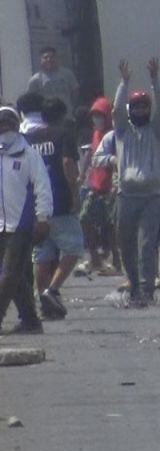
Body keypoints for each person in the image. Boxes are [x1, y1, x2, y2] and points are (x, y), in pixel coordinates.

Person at [95, 57, 160, 308]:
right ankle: (134, 283)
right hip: (126, 195)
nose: (140, 111)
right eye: (135, 108)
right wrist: (123, 83)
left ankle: (148, 289)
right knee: (125, 242)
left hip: (151, 196)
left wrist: (155, 81)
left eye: (143, 107)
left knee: (147, 244)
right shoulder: (122, 132)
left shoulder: (155, 131)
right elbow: (116, 111)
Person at [17, 93, 81, 320]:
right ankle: (51, 291)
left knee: (42, 254)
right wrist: (75, 193)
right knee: (74, 248)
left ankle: (44, 304)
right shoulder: (63, 134)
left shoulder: (28, 139)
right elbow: (67, 163)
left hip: (35, 205)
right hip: (60, 201)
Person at [0, 106, 53, 335]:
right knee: (19, 276)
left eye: (8, 125)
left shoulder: (29, 154)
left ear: (16, 126)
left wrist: (43, 218)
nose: (5, 130)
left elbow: (43, 187)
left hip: (20, 224)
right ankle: (31, 320)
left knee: (9, 274)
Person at [80, 97, 120, 274]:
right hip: (95, 188)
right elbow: (90, 154)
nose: (97, 119)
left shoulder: (113, 135)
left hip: (110, 188)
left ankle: (116, 261)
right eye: (94, 116)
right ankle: (95, 258)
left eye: (100, 115)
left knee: (112, 228)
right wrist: (83, 176)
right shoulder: (96, 134)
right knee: (84, 219)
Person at [27, 46, 79, 112]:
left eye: (52, 57)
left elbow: (75, 91)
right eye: (45, 58)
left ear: (56, 58)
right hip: (46, 117)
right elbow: (31, 99)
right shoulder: (35, 80)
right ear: (40, 60)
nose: (49, 59)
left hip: (66, 115)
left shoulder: (67, 74)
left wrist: (72, 106)